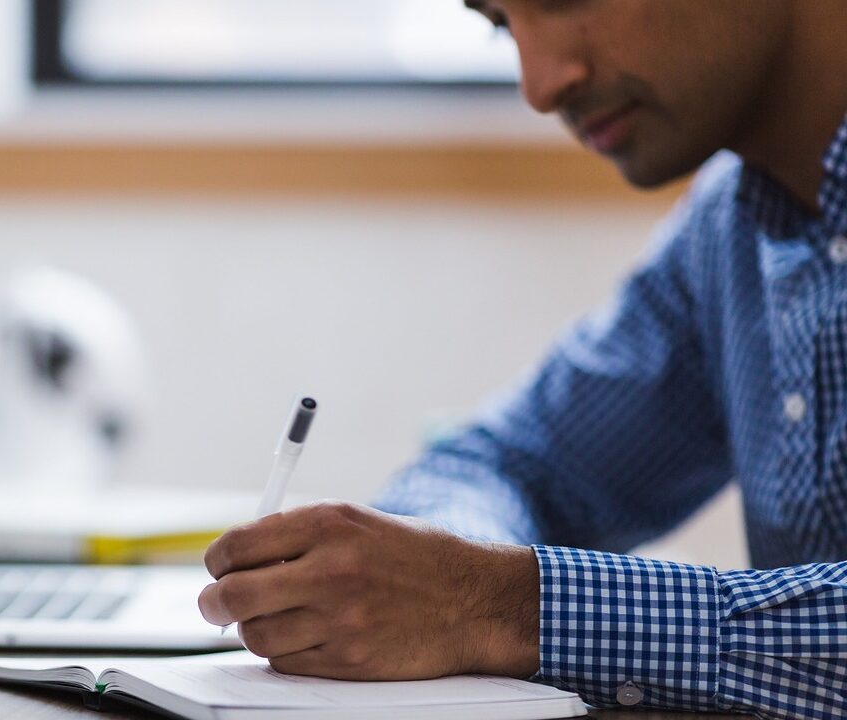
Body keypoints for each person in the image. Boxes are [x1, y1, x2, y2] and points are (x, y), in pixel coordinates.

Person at [196, 2, 847, 718]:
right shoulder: (729, 227)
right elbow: (507, 465)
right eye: (502, 24)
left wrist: (502, 606)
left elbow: (490, 592)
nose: (540, 87)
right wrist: (425, 579)